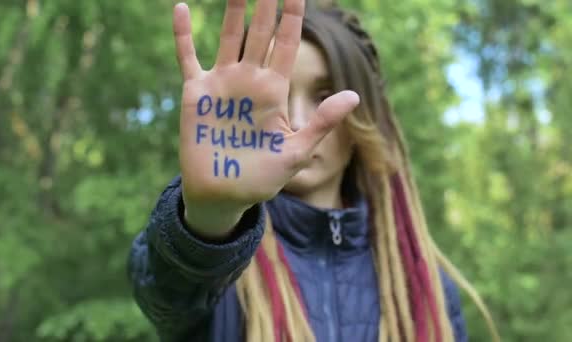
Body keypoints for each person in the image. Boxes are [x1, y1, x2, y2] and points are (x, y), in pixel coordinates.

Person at [127, 0, 499, 341]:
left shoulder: (425, 286)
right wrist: (211, 218)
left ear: (366, 115)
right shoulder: (223, 274)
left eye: (324, 96)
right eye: (280, 97)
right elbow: (167, 292)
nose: (298, 122)